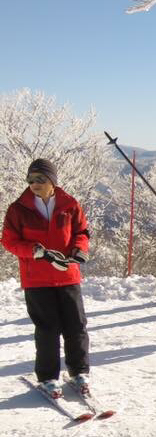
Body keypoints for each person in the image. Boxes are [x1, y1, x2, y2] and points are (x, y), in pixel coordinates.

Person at [2, 159, 91, 397]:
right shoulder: (17, 209)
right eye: (30, 180)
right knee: (47, 329)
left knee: (76, 326)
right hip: (37, 279)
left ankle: (79, 372)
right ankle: (48, 378)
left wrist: (80, 250)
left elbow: (81, 232)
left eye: (40, 179)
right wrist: (34, 251)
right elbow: (9, 241)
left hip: (67, 274)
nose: (34, 184)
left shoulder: (70, 204)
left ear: (52, 181)